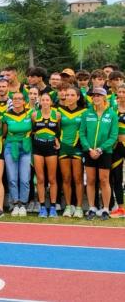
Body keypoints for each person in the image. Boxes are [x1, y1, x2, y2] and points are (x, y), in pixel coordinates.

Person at [80, 87, 119, 220]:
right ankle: (92, 207)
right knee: (90, 180)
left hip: (105, 152)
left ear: (104, 97)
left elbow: (113, 136)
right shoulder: (86, 113)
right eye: (93, 96)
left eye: (98, 95)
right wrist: (89, 148)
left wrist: (100, 149)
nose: (95, 98)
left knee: (104, 180)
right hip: (89, 152)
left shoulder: (112, 114)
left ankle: (106, 209)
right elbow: (82, 133)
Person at [58, 86, 86, 218]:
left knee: (78, 178)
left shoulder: (85, 112)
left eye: (72, 95)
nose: (69, 97)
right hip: (63, 147)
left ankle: (79, 207)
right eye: (67, 95)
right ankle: (68, 207)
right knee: (66, 178)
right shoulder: (58, 111)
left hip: (78, 148)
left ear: (78, 97)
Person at [4, 92, 33, 217]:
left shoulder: (31, 113)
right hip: (11, 147)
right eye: (14, 98)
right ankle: (15, 204)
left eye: (19, 99)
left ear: (23, 101)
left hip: (26, 147)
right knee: (12, 178)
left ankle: (23, 204)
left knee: (25, 178)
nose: (16, 101)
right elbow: (3, 132)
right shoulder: (6, 115)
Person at [31, 93, 60, 217]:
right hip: (38, 147)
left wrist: (57, 139)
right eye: (43, 100)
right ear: (40, 101)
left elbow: (58, 130)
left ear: (51, 102)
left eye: (47, 100)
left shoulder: (57, 115)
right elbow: (32, 130)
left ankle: (52, 207)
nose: (45, 102)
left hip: (51, 147)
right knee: (40, 179)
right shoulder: (34, 115)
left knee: (52, 179)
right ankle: (42, 207)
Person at [111, 84, 125, 217]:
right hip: (117, 147)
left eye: (123, 92)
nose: (121, 94)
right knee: (117, 177)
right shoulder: (113, 108)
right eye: (119, 92)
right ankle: (121, 208)